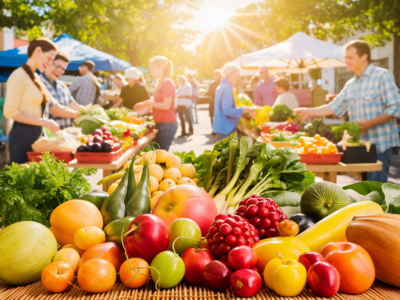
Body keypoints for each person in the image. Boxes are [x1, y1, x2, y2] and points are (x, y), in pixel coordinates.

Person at [294, 40, 400, 183]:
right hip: (358, 149)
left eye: (350, 57)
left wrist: (370, 123)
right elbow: (334, 106)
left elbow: (396, 107)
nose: (346, 61)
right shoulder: (350, 84)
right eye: (345, 57)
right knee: (365, 193)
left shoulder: (382, 76)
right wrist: (308, 111)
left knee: (377, 194)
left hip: (379, 147)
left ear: (364, 57)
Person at [4, 38, 75, 164]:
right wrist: (43, 122)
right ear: (38, 51)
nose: (50, 62)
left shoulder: (35, 78)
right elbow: (9, 111)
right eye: (49, 58)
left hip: (37, 139)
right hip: (22, 139)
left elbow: (55, 106)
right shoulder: (19, 75)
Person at [134, 56, 177, 151]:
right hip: (163, 124)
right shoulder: (162, 82)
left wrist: (147, 103)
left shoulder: (167, 82)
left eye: (152, 67)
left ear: (160, 67)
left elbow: (166, 105)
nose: (150, 70)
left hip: (167, 124)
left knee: (161, 158)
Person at [213, 62, 257, 141]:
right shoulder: (227, 88)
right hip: (225, 128)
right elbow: (227, 110)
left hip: (220, 127)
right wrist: (244, 110)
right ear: (229, 74)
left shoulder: (222, 86)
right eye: (236, 77)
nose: (237, 79)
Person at [40, 52, 80, 129]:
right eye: (57, 66)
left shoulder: (62, 85)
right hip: (50, 137)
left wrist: (86, 112)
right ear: (48, 63)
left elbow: (72, 104)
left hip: (66, 135)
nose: (59, 70)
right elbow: (53, 109)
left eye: (62, 69)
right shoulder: (39, 83)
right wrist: (79, 114)